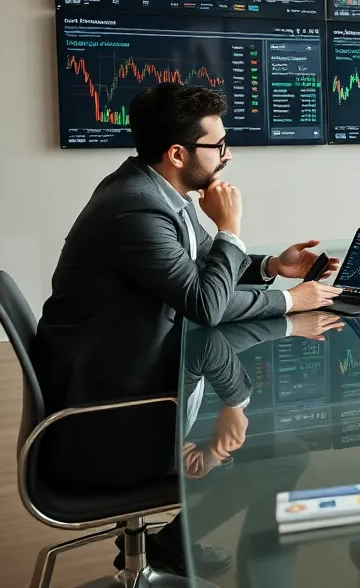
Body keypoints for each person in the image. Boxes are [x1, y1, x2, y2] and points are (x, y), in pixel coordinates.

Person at [31, 83, 344, 577]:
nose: (227, 157)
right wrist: (239, 241)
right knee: (282, 454)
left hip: (123, 377)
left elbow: (200, 277)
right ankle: (171, 547)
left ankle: (170, 544)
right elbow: (204, 303)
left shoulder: (152, 189)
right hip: (106, 417)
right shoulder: (137, 208)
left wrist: (271, 267)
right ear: (178, 153)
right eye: (217, 146)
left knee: (265, 429)